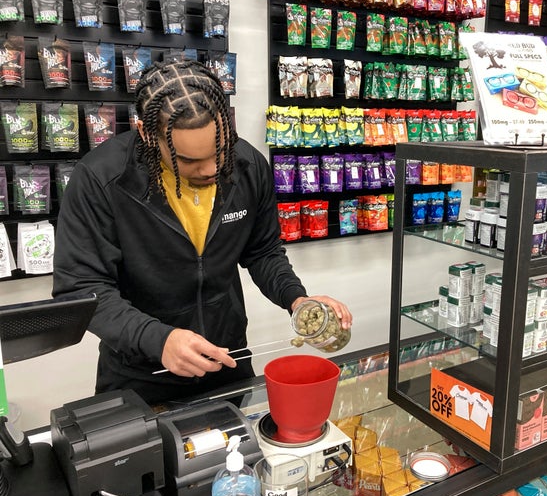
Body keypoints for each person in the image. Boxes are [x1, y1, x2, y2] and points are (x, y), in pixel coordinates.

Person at [52, 59, 352, 404]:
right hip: (141, 374)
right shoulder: (101, 180)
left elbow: (263, 251)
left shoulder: (247, 165)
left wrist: (297, 300)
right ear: (147, 134)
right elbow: (81, 289)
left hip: (228, 361)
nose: (211, 169)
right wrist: (158, 339)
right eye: (189, 161)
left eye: (219, 150)